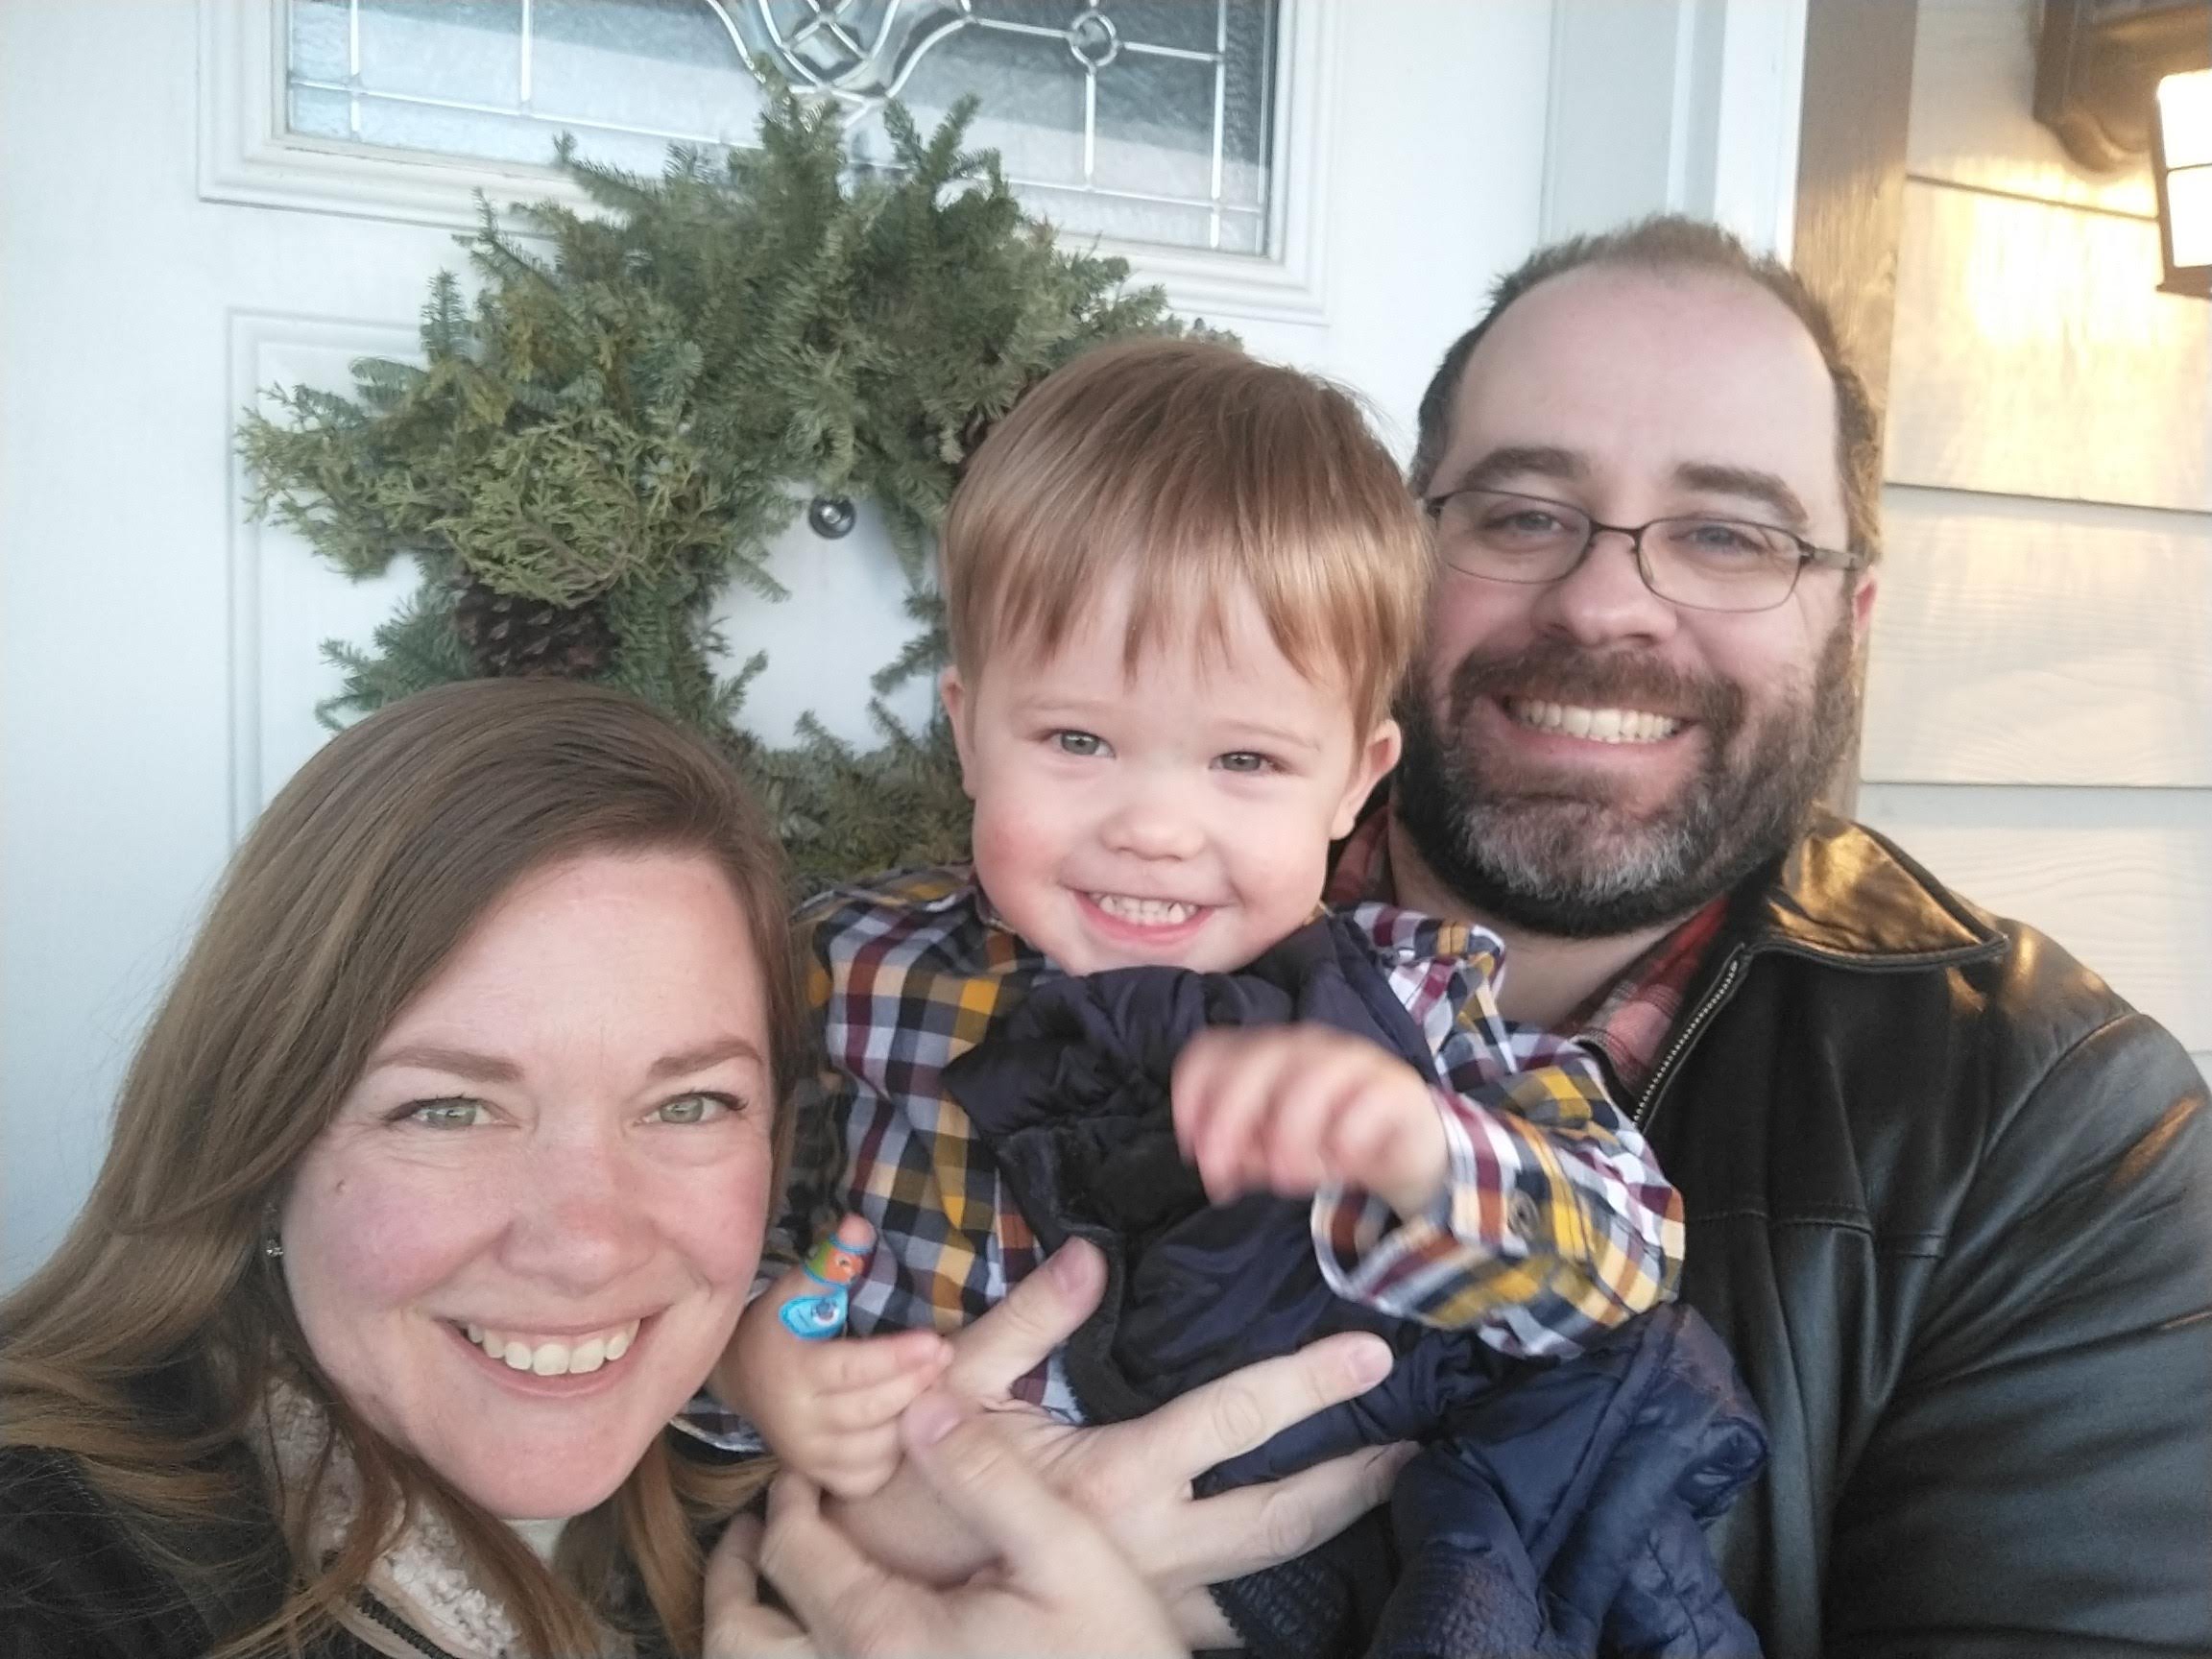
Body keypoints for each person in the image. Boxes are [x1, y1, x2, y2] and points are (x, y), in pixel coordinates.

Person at [700, 338, 1766, 1656]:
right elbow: (717, 1234)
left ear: (1355, 780)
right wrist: (757, 1358)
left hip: (1269, 1608)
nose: (1155, 826)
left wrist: (1410, 1146)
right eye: (1078, 740)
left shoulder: (1415, 1004)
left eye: (1246, 759)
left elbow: (1623, 1261)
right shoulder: (851, 971)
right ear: (969, 729)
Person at [0, 679, 1389, 1659]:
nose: (587, 1241)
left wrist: (919, 1531)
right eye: (446, 1111)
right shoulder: (54, 1558)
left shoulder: (748, 1514)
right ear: (258, 1129)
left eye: (688, 1106)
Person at [1338, 214, 2212, 1656]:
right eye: (1519, 512)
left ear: (1849, 624)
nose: (1608, 600)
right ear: (1395, 552)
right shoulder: (1056, 941)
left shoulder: (2060, 1141)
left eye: (1729, 536)